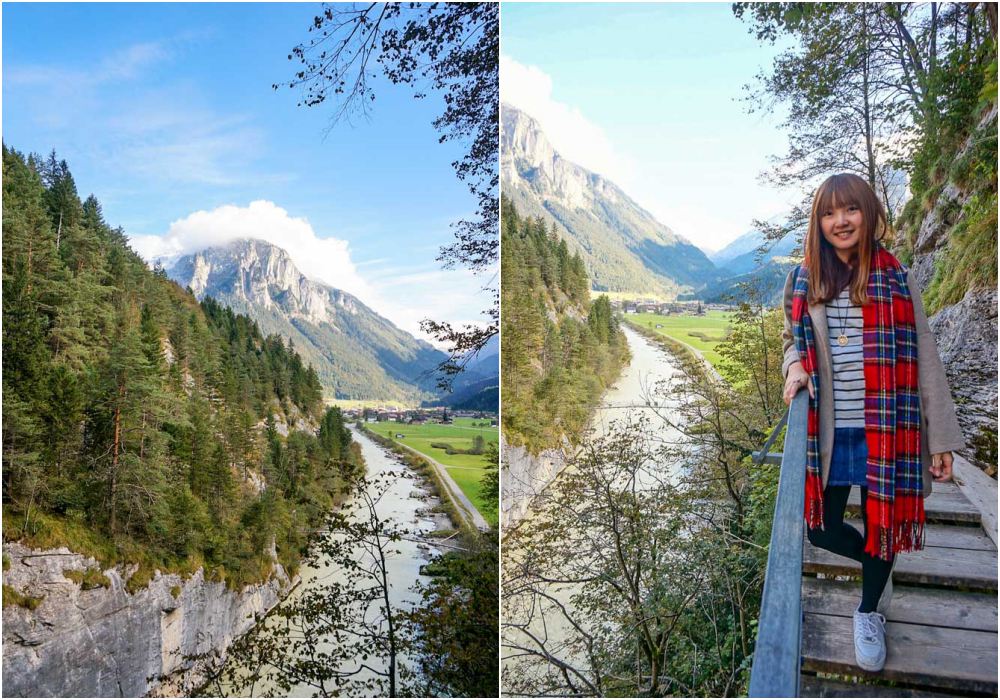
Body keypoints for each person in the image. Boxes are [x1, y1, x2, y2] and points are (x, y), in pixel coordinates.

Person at [780, 173, 965, 673]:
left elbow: (925, 350)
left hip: (890, 426)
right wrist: (794, 365)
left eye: (850, 210)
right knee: (820, 528)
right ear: (818, 222)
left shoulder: (896, 274)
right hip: (831, 430)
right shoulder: (803, 278)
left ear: (868, 213)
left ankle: (868, 612)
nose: (840, 221)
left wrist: (941, 438)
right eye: (828, 213)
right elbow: (791, 341)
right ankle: (876, 566)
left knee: (883, 522)